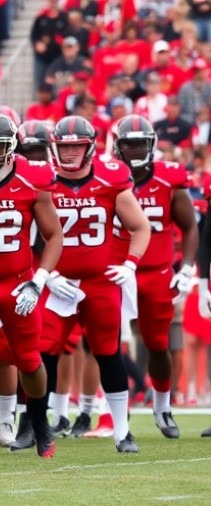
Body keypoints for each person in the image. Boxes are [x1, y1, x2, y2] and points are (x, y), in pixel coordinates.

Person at [41, 115, 150, 453]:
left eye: (77, 147)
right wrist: (48, 274)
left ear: (90, 148)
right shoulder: (40, 180)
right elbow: (25, 236)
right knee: (43, 354)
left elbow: (141, 227)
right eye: (64, 147)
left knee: (107, 353)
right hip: (58, 282)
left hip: (100, 281)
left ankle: (122, 431)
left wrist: (130, 264)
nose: (70, 154)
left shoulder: (111, 179)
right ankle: (35, 426)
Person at [0, 112, 62, 457]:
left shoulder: (33, 180)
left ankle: (39, 421)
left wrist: (38, 281)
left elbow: (54, 237)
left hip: (18, 281)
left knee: (29, 359)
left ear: (11, 148)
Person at [111, 115, 197, 439]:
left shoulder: (169, 179)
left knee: (158, 344)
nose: (134, 150)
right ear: (118, 147)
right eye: (128, 143)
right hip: (117, 272)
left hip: (157, 271)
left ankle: (162, 405)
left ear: (152, 145)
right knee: (104, 345)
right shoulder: (108, 178)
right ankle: (113, 416)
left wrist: (186, 267)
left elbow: (190, 227)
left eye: (140, 143)